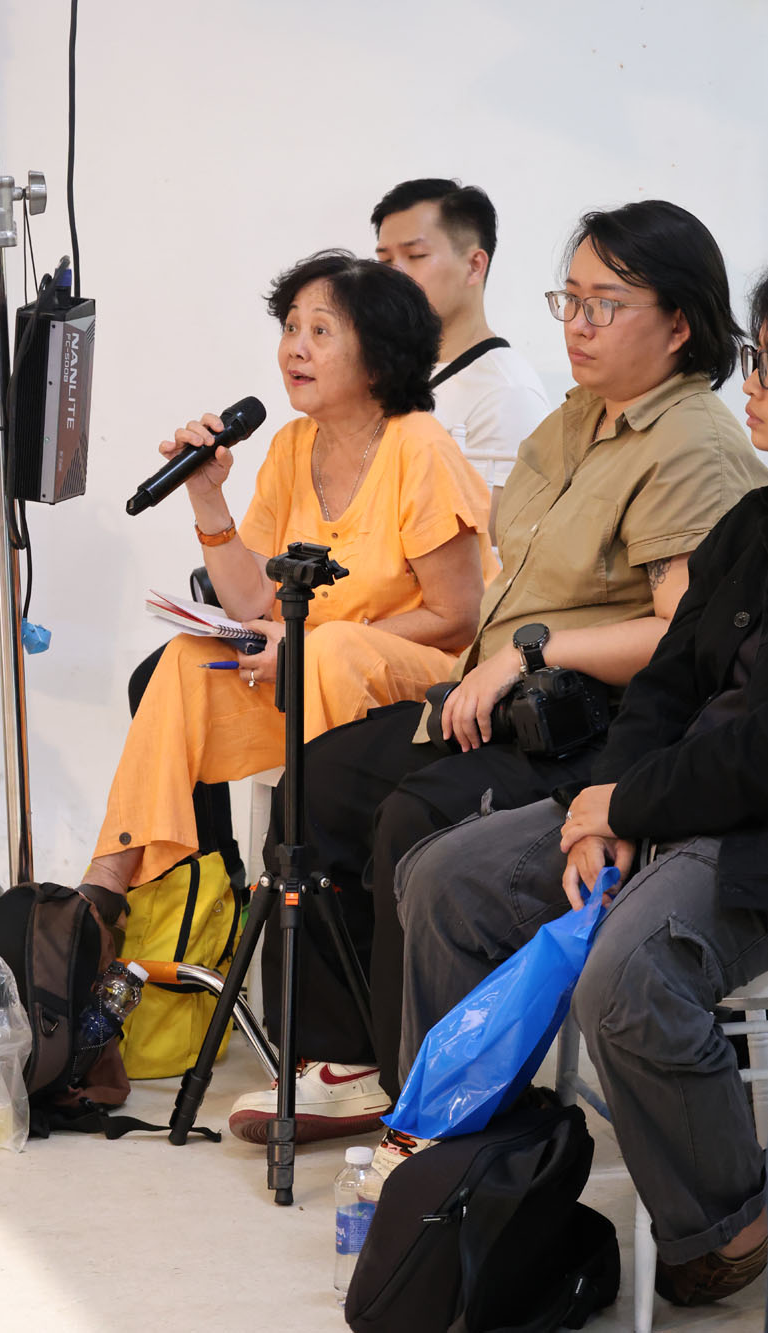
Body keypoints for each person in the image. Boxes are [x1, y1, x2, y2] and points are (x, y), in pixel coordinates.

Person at [229, 201, 768, 1146]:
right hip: (500, 693)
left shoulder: (692, 444)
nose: (577, 325)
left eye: (605, 305)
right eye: (570, 300)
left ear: (680, 324)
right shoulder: (572, 421)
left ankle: (421, 1100)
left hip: (587, 719)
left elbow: (677, 647)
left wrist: (530, 653)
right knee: (319, 784)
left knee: (414, 822)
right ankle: (342, 1060)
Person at [392, 272, 768, 1310]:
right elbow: (667, 685)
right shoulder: (751, 524)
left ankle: (730, 1220)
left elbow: (755, 754)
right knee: (446, 878)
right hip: (662, 798)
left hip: (743, 831)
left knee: (628, 978)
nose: (751, 386)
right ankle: (482, 1171)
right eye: (757, 360)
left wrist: (631, 809)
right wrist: (604, 801)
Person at [77, 249, 495, 910]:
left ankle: (298, 877)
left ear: (379, 357)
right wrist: (207, 497)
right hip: (314, 672)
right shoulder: (293, 444)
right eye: (291, 327)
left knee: (331, 649)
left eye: (320, 331)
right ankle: (106, 890)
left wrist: (310, 646)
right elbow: (251, 601)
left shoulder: (420, 447)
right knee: (187, 659)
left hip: (429, 682)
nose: (294, 348)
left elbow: (457, 617)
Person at [372, 177, 549, 537]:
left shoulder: (507, 395)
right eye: (385, 260)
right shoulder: (386, 372)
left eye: (415, 256)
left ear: (474, 266)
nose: (394, 276)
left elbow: (491, 542)